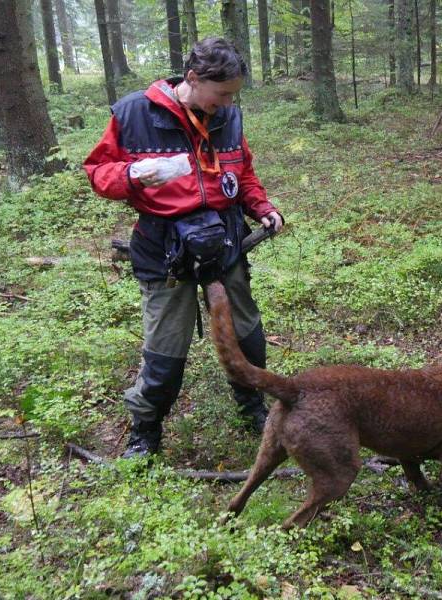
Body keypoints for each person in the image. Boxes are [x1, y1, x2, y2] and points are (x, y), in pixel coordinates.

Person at [84, 38, 283, 459]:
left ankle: (252, 405)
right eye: (223, 93)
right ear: (193, 79)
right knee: (165, 347)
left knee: (246, 331)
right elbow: (99, 173)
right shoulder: (135, 113)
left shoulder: (229, 116)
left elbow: (242, 171)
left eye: (234, 94)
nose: (228, 103)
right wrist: (134, 174)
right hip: (164, 246)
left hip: (224, 240)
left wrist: (262, 207)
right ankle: (145, 430)